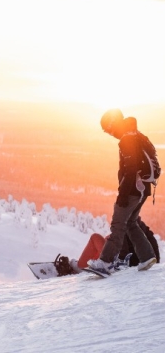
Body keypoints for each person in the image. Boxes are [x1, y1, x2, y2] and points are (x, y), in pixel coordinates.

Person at [87, 108, 157, 275]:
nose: (109, 133)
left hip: (132, 189)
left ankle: (105, 263)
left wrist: (123, 195)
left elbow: (130, 169)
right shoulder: (137, 135)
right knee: (131, 223)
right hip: (144, 188)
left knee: (118, 225)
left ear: (113, 124)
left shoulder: (127, 139)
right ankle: (147, 256)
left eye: (107, 129)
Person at [68, 217, 160, 274]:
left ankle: (80, 266)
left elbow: (123, 249)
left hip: (122, 262)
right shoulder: (141, 227)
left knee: (95, 237)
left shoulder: (126, 223)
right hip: (143, 260)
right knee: (107, 238)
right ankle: (90, 263)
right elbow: (154, 247)